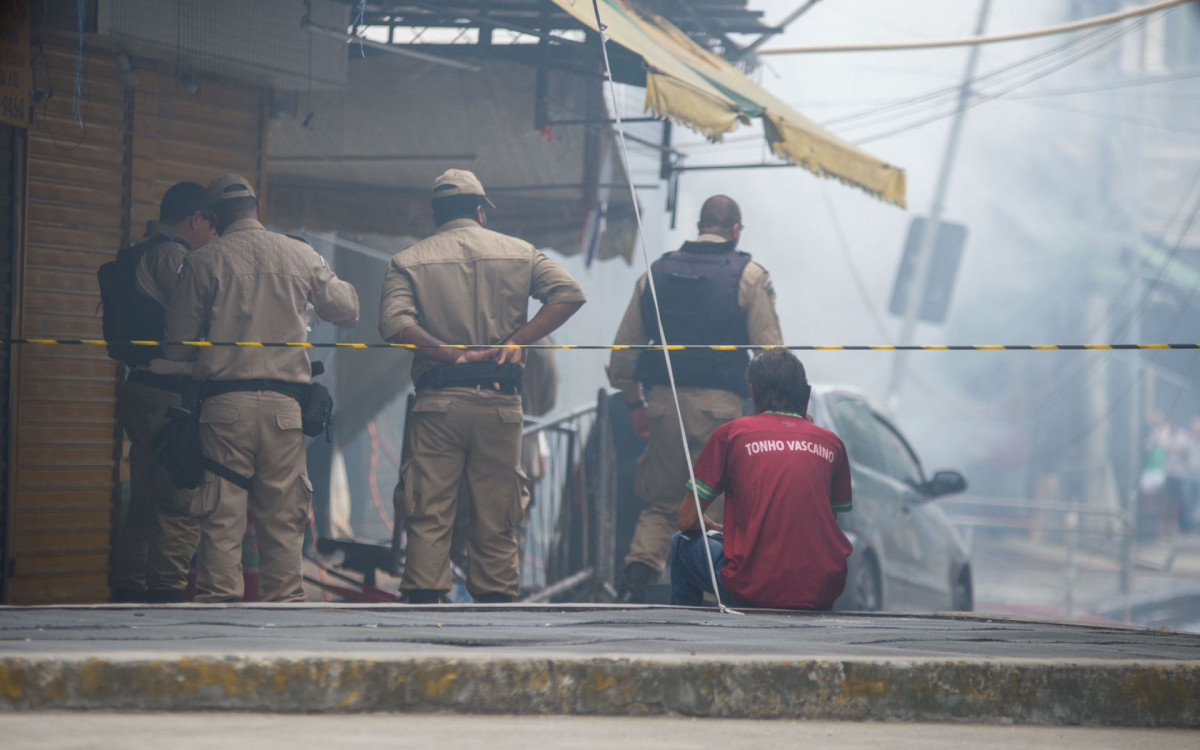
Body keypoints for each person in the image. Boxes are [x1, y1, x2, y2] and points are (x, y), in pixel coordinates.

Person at [379, 169, 585, 604]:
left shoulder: (408, 260)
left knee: (428, 508)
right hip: (499, 404)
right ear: (480, 211)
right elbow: (568, 293)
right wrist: (517, 341)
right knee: (498, 511)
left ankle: (423, 602)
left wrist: (450, 353)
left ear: (437, 214)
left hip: (437, 406)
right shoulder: (519, 252)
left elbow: (394, 324)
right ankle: (495, 606)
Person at [164, 174, 360, 602]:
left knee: (221, 519)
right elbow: (347, 309)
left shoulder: (203, 260)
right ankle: (284, 613)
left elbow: (176, 346)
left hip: (222, 410)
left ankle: (219, 614)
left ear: (213, 216)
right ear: (256, 207)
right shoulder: (299, 253)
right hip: (286, 412)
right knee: (283, 522)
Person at [607, 195, 783, 602]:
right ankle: (708, 599)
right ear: (735, 230)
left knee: (662, 502)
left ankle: (635, 583)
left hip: (663, 405)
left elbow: (623, 355)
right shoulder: (750, 275)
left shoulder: (656, 272)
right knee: (715, 505)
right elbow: (771, 353)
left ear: (699, 224)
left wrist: (635, 402)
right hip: (721, 411)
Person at [670, 349, 853, 609]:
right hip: (819, 592)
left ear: (753, 391)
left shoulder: (732, 435)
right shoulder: (831, 443)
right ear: (803, 392)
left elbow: (687, 520)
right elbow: (823, 523)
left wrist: (719, 528)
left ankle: (684, 640)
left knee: (681, 544)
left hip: (749, 587)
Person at [106, 182, 214, 603]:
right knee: (179, 500)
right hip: (166, 395)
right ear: (196, 219)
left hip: (143, 387)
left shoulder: (141, 248)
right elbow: (195, 316)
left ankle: (130, 587)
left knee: (148, 500)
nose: (212, 236)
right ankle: (166, 595)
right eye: (211, 225)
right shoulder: (173, 256)